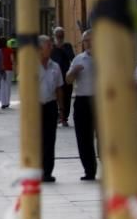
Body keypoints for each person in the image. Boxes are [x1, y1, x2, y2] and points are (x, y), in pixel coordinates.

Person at [65, 29, 97, 181]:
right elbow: (68, 80)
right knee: (84, 138)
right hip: (82, 101)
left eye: (91, 40)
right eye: (86, 40)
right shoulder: (78, 59)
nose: (88, 43)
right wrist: (74, 72)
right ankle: (89, 170)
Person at [38, 35, 65, 183]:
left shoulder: (55, 66)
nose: (51, 48)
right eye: (48, 45)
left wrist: (61, 109)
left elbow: (59, 88)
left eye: (51, 45)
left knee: (50, 139)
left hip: (50, 106)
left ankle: (47, 172)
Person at [51, 27, 76, 127]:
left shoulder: (67, 46)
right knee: (54, 97)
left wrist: (63, 49)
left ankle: (64, 118)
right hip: (54, 76)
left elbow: (72, 57)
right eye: (58, 35)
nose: (60, 37)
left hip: (66, 75)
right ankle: (57, 117)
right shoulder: (51, 46)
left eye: (61, 35)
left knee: (67, 96)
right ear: (55, 36)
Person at [0, 38, 15, 108]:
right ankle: (7, 102)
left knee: (2, 86)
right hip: (8, 69)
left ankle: (3, 102)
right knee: (7, 86)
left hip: (0, 70)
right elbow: (12, 60)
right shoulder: (9, 50)